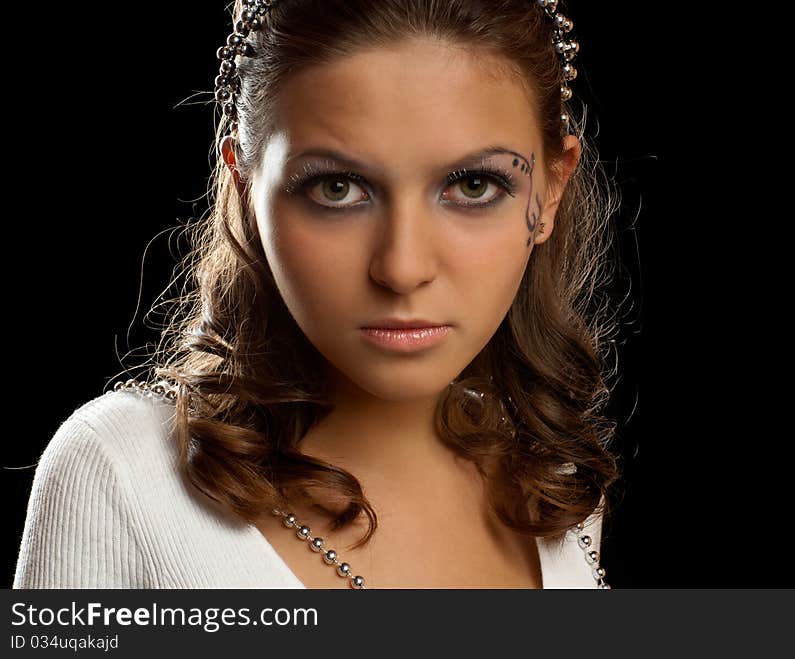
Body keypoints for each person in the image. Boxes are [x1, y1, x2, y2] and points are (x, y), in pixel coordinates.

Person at [13, 0, 622, 589]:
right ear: (246, 183)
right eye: (336, 188)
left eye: (472, 184)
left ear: (551, 188)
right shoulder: (124, 474)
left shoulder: (552, 489)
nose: (402, 268)